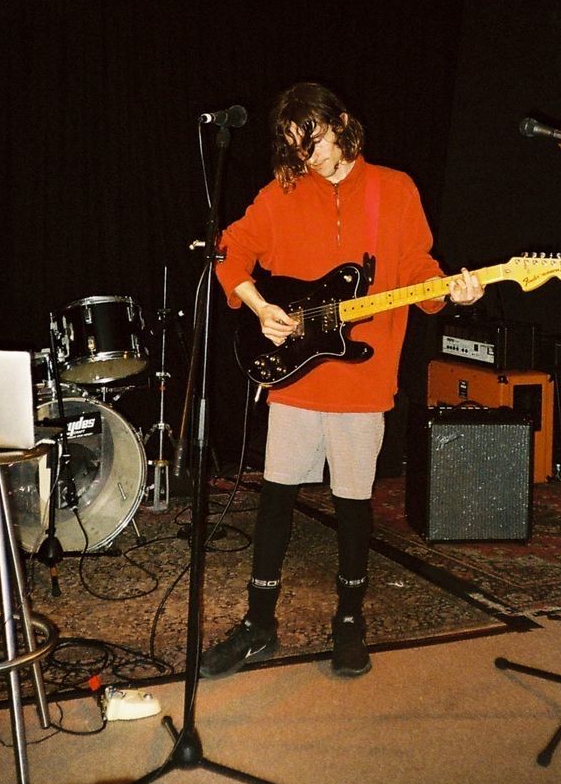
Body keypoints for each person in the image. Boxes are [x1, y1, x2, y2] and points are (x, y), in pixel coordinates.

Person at [201, 82, 483, 679]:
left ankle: (349, 622)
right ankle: (258, 625)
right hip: (296, 378)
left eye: (317, 139)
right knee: (276, 499)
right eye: (297, 146)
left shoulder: (393, 188)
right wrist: (257, 307)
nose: (309, 155)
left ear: (342, 124)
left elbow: (418, 271)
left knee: (353, 505)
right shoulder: (282, 194)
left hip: (364, 378)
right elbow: (230, 250)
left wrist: (452, 293)